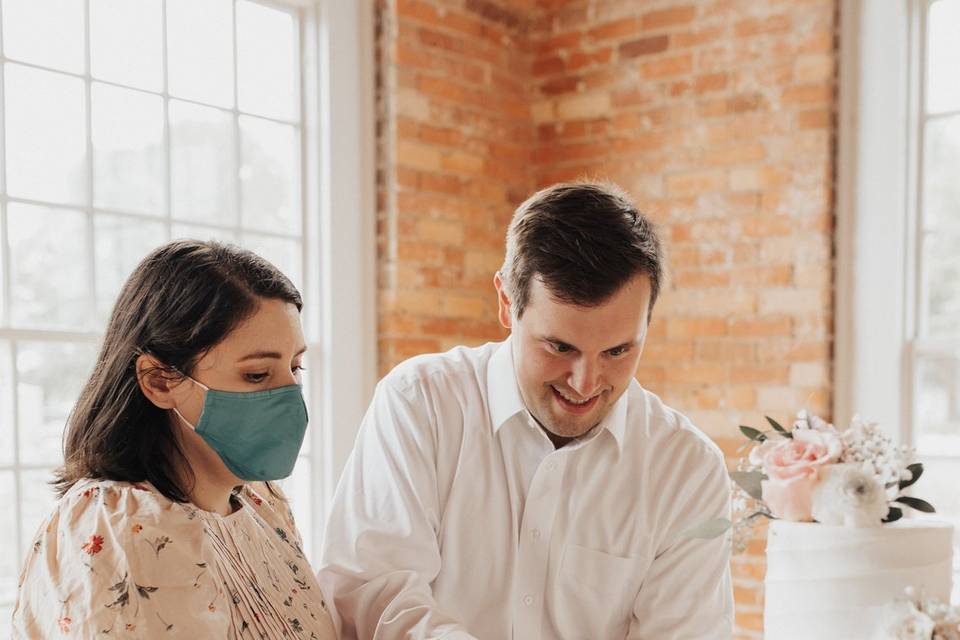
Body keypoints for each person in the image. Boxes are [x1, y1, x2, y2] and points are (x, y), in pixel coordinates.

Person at [318, 182, 733, 639]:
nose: (585, 382)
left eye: (618, 351)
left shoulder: (687, 468)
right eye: (559, 346)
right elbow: (374, 596)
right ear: (506, 302)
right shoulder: (421, 403)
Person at [13, 240, 336, 639]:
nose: (290, 397)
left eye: (295, 367)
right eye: (257, 375)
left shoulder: (262, 503)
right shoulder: (116, 525)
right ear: (160, 380)